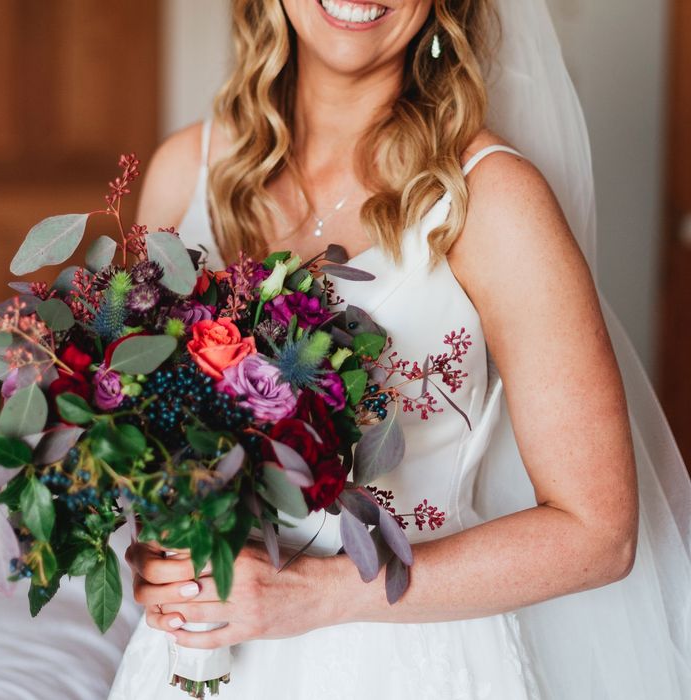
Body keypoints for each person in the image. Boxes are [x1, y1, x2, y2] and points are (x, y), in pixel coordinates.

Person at [109, 1, 691, 698]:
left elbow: (601, 536)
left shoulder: (494, 200)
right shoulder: (185, 172)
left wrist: (322, 594)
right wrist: (156, 552)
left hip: (405, 662)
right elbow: (133, 430)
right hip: (199, 652)